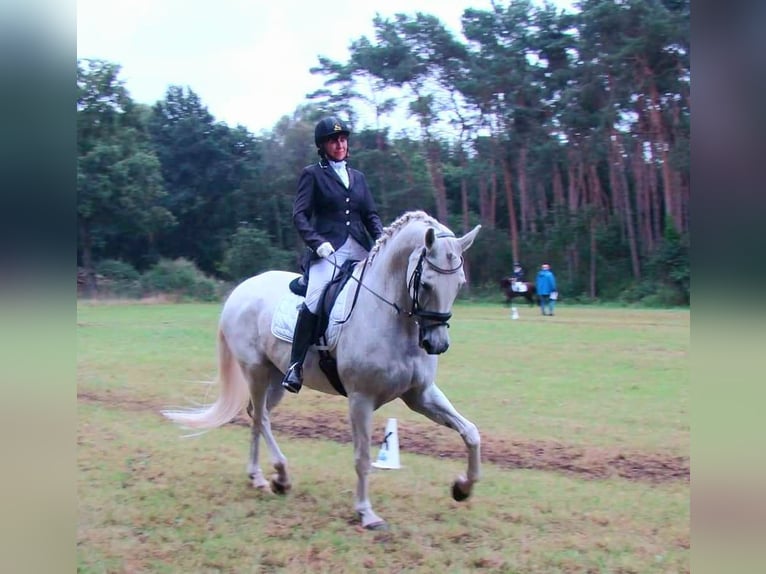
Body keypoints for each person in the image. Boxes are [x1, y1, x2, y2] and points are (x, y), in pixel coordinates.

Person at [282, 116, 384, 394]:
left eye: (342, 139)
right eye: (333, 140)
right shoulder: (312, 174)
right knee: (315, 299)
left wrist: (383, 240)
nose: (339, 144)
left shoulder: (358, 178)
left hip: (360, 247)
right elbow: (299, 215)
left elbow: (370, 215)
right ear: (323, 146)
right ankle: (295, 365)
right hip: (328, 250)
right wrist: (317, 243)